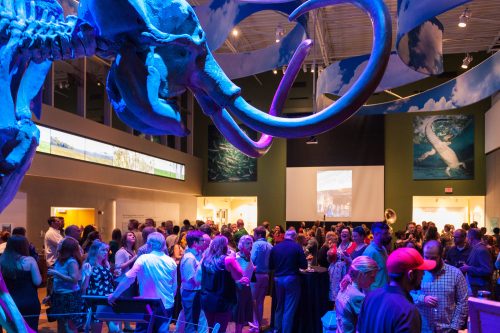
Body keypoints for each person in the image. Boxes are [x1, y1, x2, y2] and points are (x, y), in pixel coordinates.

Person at [109, 232, 177, 333]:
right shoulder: (171, 261)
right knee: (162, 331)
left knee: (143, 330)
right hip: (166, 305)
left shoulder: (143, 259)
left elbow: (129, 278)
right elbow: (174, 287)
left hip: (148, 306)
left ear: (149, 245)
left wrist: (115, 294)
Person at [357, 248, 436, 333]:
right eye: (421, 271)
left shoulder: (371, 297)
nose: (424, 274)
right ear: (411, 275)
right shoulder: (408, 312)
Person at [410, 240, 468, 333]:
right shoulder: (417, 272)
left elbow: (463, 302)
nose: (428, 261)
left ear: (441, 255)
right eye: (426, 257)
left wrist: (454, 327)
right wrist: (422, 298)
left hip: (447, 329)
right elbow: (407, 294)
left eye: (433, 258)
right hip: (422, 328)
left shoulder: (456, 273)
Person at [201, 235, 246, 333]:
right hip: (222, 300)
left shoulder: (205, 259)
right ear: (224, 246)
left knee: (211, 328)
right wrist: (233, 256)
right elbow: (239, 275)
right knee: (220, 329)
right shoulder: (228, 259)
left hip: (207, 298)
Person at [0, 235, 42, 331]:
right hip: (29, 301)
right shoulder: (29, 261)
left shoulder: (1, 260)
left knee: (13, 329)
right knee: (30, 328)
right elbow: (37, 282)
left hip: (10, 302)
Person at [269, 229, 307, 333]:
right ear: (294, 237)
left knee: (279, 305)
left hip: (277, 279)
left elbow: (271, 266)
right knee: (289, 308)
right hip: (291, 279)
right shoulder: (296, 247)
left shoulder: (276, 247)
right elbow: (304, 265)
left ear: (285, 236)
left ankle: (277, 329)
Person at [81, 241, 120, 333]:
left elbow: (107, 282)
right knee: (96, 330)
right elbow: (83, 289)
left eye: (107, 250)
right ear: (95, 251)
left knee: (115, 330)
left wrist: (114, 275)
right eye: (103, 250)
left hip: (108, 300)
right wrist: (87, 275)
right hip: (96, 301)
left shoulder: (106, 264)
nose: (106, 252)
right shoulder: (88, 265)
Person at [48, 237, 83, 333]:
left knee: (70, 325)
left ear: (67, 247)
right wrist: (50, 295)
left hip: (70, 296)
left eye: (61, 242)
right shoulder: (59, 260)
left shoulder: (71, 261)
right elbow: (56, 281)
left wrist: (57, 273)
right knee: (61, 323)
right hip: (59, 295)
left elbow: (74, 279)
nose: (59, 243)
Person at [335, 256, 378, 333]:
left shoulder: (344, 286)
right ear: (362, 275)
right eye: (372, 277)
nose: (374, 280)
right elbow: (369, 324)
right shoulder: (358, 297)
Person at [179, 230, 204, 333]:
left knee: (193, 321)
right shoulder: (189, 258)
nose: (204, 243)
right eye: (201, 241)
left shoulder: (192, 256)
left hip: (192, 293)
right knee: (191, 322)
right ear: (195, 243)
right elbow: (194, 281)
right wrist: (202, 261)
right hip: (191, 293)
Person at [250, 226, 272, 331]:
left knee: (252, 300)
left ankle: (255, 324)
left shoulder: (256, 245)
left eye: (254, 234)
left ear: (258, 235)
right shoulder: (270, 245)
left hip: (256, 275)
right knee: (260, 301)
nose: (253, 237)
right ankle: (258, 325)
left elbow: (252, 259)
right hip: (266, 275)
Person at [114, 231, 137, 332]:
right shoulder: (121, 252)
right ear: (124, 238)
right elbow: (118, 267)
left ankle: (127, 325)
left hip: (130, 281)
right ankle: (118, 328)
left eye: (133, 235)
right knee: (121, 304)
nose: (133, 236)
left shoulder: (134, 251)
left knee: (127, 303)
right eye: (130, 235)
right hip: (122, 280)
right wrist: (134, 259)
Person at [459, 228, 494, 296]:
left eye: (467, 237)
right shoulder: (475, 248)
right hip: (475, 287)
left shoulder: (481, 250)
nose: (466, 240)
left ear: (471, 238)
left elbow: (487, 270)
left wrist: (468, 268)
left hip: (481, 288)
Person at [233, 235, 255, 333]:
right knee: (239, 315)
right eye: (247, 243)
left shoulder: (248, 256)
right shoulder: (236, 257)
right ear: (241, 244)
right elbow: (231, 274)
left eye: (251, 243)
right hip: (238, 289)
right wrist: (238, 280)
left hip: (246, 288)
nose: (250, 245)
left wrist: (253, 268)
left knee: (244, 315)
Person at [328, 228, 356, 301]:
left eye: (346, 232)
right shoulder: (336, 245)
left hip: (346, 271)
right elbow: (330, 260)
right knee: (336, 293)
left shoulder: (353, 245)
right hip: (336, 274)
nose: (344, 233)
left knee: (345, 291)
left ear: (350, 235)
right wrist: (329, 255)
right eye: (342, 232)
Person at [363, 222, 391, 290]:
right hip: (375, 293)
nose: (388, 236)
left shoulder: (383, 248)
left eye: (388, 233)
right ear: (376, 234)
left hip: (383, 291)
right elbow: (364, 277)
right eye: (385, 234)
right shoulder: (370, 252)